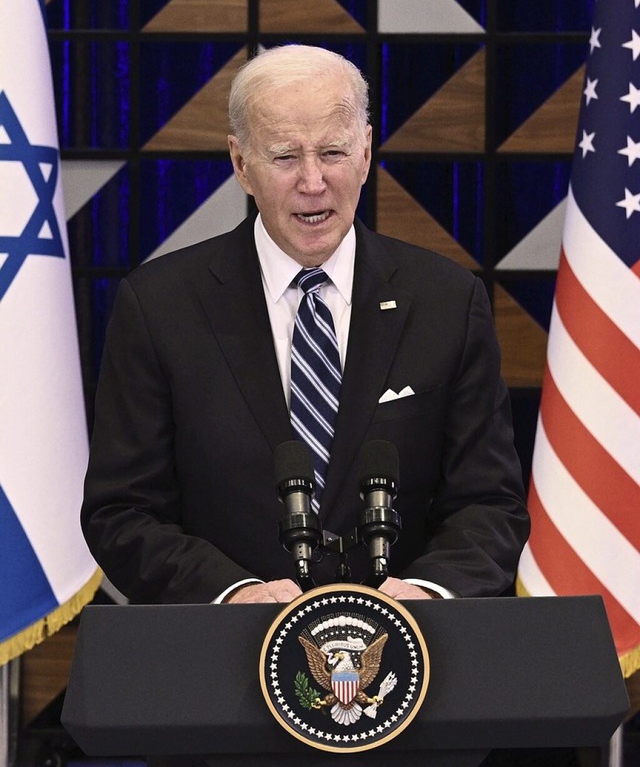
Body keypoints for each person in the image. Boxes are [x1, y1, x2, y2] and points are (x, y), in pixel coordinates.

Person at [81, 44, 529, 606]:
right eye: (286, 157)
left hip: (406, 661)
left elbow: (490, 504)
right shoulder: (160, 306)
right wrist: (231, 594)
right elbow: (122, 512)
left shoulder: (447, 301)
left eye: (334, 152)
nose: (314, 182)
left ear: (366, 152)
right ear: (241, 164)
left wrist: (427, 594)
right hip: (222, 663)